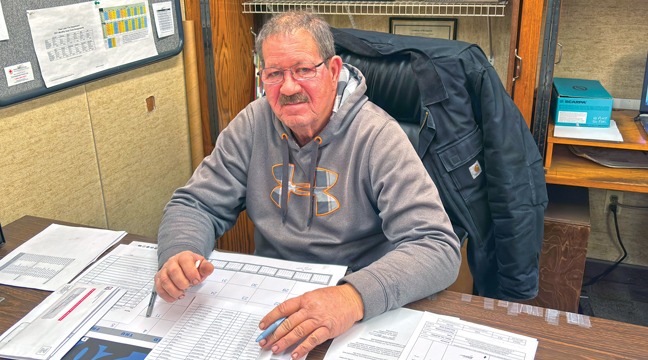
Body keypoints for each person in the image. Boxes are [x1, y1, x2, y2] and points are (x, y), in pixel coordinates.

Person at [155, 11, 461, 359]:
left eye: (303, 70)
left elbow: (436, 246)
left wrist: (352, 297)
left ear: (332, 71)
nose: (288, 88)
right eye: (274, 74)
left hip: (354, 307)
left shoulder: (378, 136)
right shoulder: (253, 124)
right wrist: (180, 250)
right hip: (268, 299)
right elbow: (195, 204)